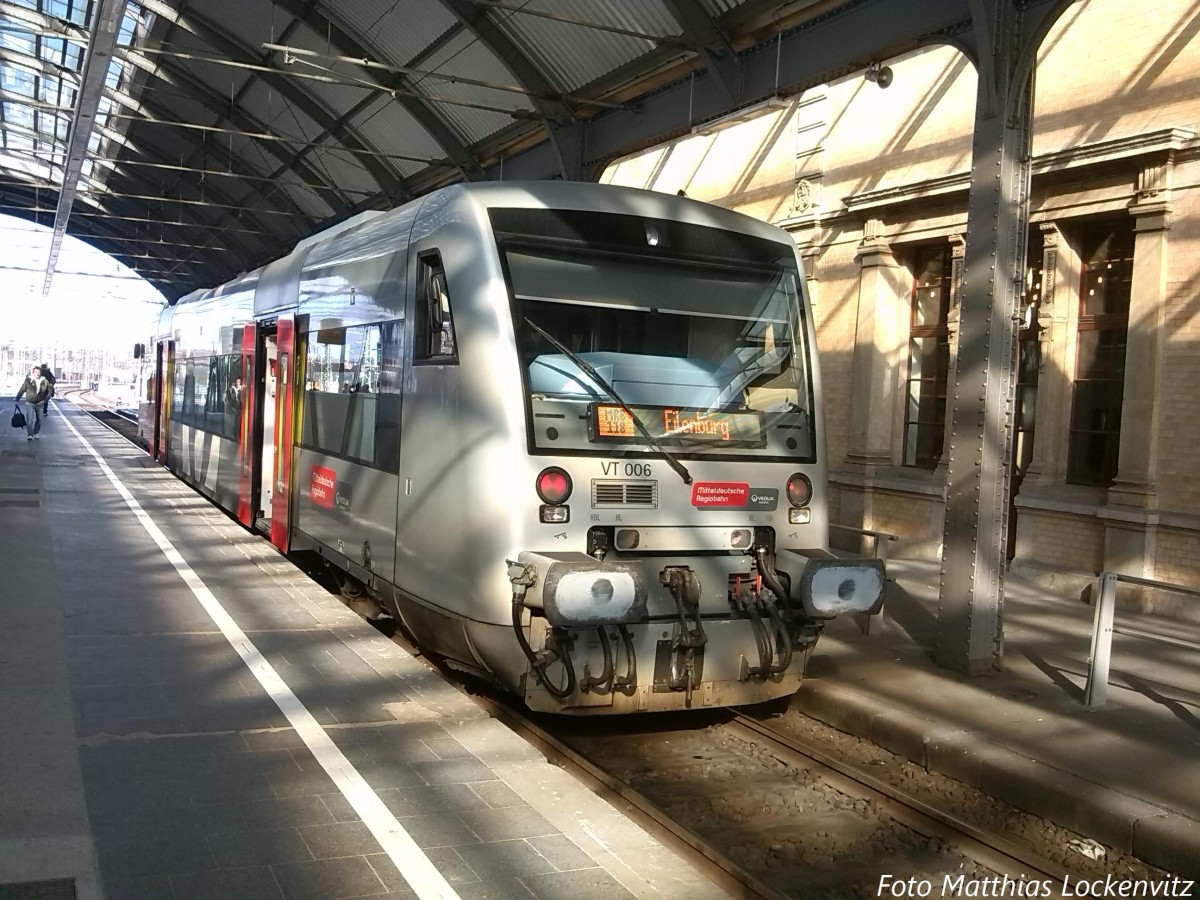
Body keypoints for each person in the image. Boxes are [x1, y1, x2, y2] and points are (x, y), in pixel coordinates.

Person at [14, 365, 51, 440]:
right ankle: (30, 434)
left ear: (41, 373)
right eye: (36, 372)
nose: (37, 374)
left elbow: (49, 392)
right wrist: (17, 399)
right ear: (33, 373)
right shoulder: (28, 380)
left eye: (39, 372)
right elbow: (22, 390)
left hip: (40, 403)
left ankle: (36, 432)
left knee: (39, 419)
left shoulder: (45, 381)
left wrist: (44, 401)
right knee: (30, 419)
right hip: (29, 402)